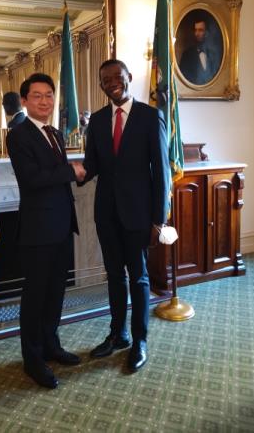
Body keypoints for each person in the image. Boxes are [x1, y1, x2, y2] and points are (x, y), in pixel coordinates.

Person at [82, 59, 170, 373]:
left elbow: (162, 171)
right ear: (101, 85)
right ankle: (118, 334)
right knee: (115, 276)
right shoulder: (97, 120)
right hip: (106, 213)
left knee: (139, 277)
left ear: (129, 77)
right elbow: (91, 165)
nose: (112, 83)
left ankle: (139, 341)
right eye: (106, 80)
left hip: (138, 214)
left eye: (117, 77)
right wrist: (63, 170)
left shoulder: (150, 116)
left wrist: (159, 220)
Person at [6, 73, 85, 389]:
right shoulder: (18, 135)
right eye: (36, 95)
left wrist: (77, 173)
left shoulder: (54, 133)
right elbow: (32, 179)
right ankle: (33, 359)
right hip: (38, 231)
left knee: (55, 293)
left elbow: (58, 178)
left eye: (49, 95)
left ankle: (51, 345)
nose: (44, 101)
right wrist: (70, 171)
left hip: (63, 226)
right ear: (25, 100)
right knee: (35, 297)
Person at [179, 19, 220, 85]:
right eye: (195, 30)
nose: (197, 34)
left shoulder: (213, 55)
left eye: (200, 30)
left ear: (207, 33)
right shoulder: (187, 55)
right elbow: (183, 79)